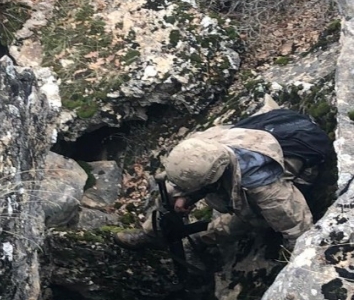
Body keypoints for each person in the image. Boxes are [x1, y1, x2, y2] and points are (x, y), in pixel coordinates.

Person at [115, 106, 333, 255]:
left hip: (295, 157)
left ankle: (203, 239)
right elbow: (187, 179)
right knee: (170, 194)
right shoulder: (202, 145)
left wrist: (288, 263)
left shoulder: (264, 186)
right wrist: (184, 195)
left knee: (248, 219)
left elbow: (297, 228)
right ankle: (151, 234)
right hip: (258, 138)